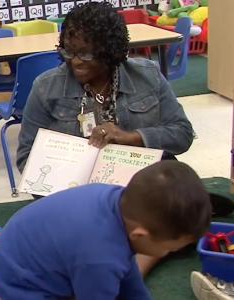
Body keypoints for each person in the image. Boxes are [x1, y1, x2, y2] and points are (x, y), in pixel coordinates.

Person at [15, 1, 194, 276]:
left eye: (86, 54)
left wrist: (131, 137)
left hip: (137, 192)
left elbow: (182, 134)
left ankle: (131, 263)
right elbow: (26, 158)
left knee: (182, 196)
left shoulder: (146, 76)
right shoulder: (46, 88)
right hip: (77, 202)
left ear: (110, 52)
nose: (75, 61)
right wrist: (65, 185)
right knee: (75, 231)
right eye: (68, 51)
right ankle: (136, 253)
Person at [0, 161, 212, 300]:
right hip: (12, 287)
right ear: (141, 235)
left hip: (20, 262)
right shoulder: (100, 258)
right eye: (169, 249)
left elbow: (128, 274)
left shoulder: (117, 201)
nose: (166, 254)